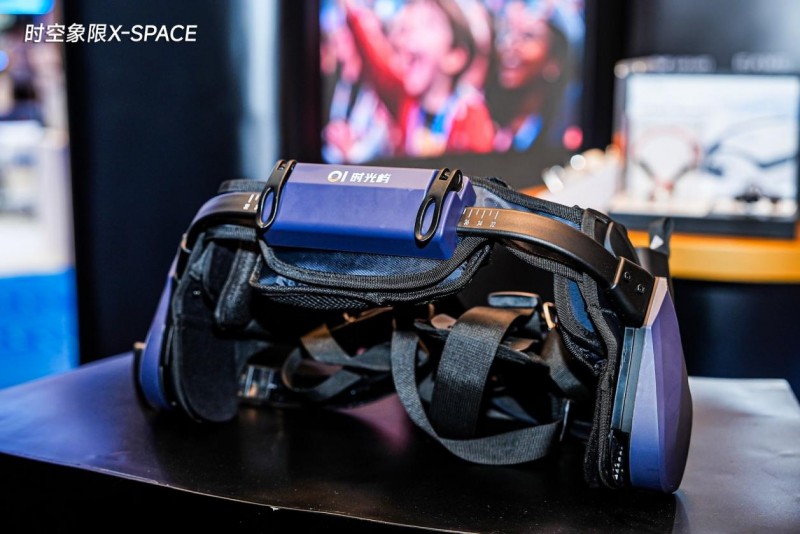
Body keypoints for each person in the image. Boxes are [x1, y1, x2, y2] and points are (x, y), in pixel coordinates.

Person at [343, 0, 494, 157]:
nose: (409, 32)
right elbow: (374, 58)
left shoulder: (472, 116)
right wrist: (351, 8)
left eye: (427, 24)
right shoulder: (405, 102)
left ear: (454, 56)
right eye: (409, 26)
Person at [489, 0, 570, 153]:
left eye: (527, 37)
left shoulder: (564, 130)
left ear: (553, 62)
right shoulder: (482, 119)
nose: (510, 44)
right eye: (505, 33)